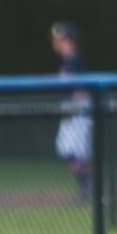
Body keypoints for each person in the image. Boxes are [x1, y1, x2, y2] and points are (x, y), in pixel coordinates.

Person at [50, 21, 92, 203]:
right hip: (74, 112)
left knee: (74, 152)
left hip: (78, 113)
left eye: (61, 39)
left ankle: (88, 191)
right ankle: (88, 189)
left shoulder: (73, 61)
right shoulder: (69, 61)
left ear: (70, 41)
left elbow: (79, 89)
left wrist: (73, 110)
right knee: (69, 152)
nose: (57, 42)